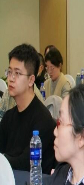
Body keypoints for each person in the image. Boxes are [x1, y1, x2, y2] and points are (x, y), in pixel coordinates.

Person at [0, 44, 56, 173]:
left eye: (17, 73)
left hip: (32, 183)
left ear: (31, 80)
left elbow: (25, 164)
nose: (10, 79)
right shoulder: (9, 117)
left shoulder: (43, 120)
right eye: (9, 72)